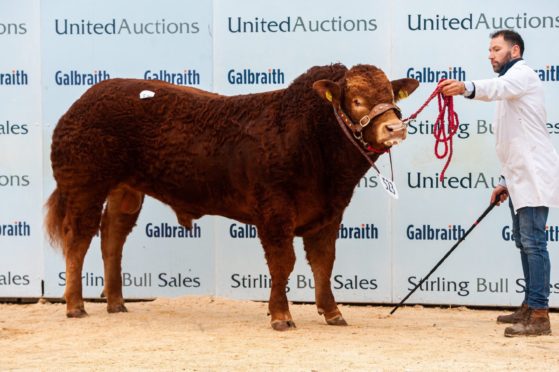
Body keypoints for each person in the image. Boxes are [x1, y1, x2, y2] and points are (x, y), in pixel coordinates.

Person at [439, 29, 559, 337]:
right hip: (520, 178)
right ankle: (529, 305)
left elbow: (496, 88)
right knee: (524, 242)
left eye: (496, 49)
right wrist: (505, 180)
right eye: (489, 50)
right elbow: (513, 141)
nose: (490, 55)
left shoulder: (522, 75)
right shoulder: (512, 87)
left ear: (514, 51)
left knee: (534, 244)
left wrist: (465, 88)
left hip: (533, 177)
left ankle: (540, 314)